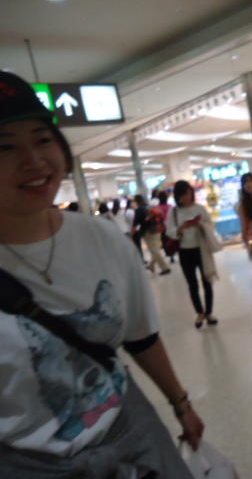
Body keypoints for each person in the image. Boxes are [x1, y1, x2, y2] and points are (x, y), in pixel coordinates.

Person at [0, 71, 203, 477]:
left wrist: (181, 403)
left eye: (42, 139)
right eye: (4, 147)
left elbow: (140, 337)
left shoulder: (102, 237)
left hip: (133, 437)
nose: (33, 161)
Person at [166, 180, 219, 328]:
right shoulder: (174, 212)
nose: (187, 197)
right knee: (192, 284)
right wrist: (181, 228)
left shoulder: (200, 208)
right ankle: (199, 312)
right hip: (185, 251)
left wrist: (201, 225)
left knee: (207, 280)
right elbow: (169, 230)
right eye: (184, 194)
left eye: (189, 193)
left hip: (202, 249)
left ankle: (209, 312)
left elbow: (210, 225)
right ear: (178, 196)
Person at [142, 201, 171, 276]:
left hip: (150, 232)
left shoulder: (144, 210)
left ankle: (165, 268)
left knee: (154, 251)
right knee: (155, 250)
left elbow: (144, 222)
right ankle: (151, 265)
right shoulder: (156, 209)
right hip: (158, 230)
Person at [157, 191, 176, 264]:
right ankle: (172, 255)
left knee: (165, 241)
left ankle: (169, 254)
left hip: (163, 227)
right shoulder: (170, 206)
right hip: (170, 225)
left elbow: (158, 219)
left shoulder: (158, 208)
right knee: (171, 239)